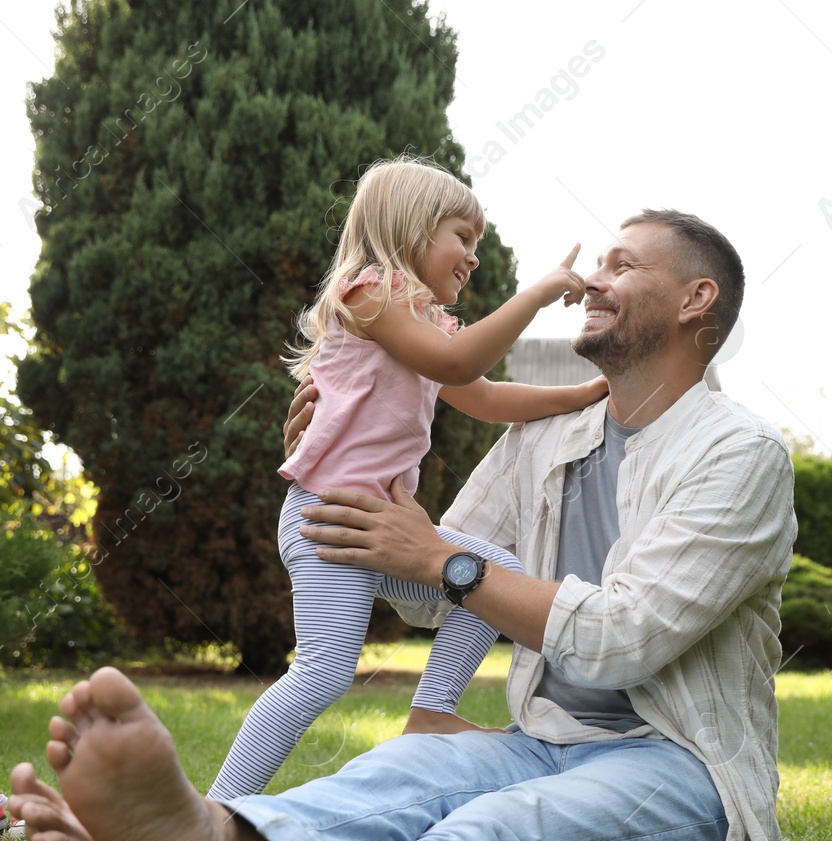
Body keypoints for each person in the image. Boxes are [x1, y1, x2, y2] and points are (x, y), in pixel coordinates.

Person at [8, 208, 798, 841]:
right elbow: (427, 585)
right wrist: (335, 463)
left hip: (682, 765)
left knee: (494, 833)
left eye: (623, 264)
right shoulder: (547, 436)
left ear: (698, 299)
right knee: (393, 779)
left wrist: (444, 561)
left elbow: (623, 635)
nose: (594, 277)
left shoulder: (740, 454)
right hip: (543, 739)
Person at [207, 156, 606, 799]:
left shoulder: (425, 325)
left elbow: (485, 397)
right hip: (328, 522)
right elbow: (457, 363)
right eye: (462, 238)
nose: (472, 258)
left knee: (490, 573)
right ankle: (218, 806)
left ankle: (430, 714)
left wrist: (582, 392)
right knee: (323, 672)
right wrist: (533, 294)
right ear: (412, 228)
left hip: (379, 527)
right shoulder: (369, 295)